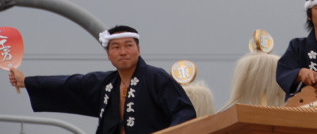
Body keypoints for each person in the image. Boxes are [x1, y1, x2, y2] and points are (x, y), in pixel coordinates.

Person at [9, 25, 196, 134]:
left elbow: (184, 111)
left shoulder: (156, 78)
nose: (123, 52)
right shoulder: (105, 83)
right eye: (116, 47)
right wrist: (27, 81)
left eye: (128, 45)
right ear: (108, 54)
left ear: (139, 50)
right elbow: (70, 84)